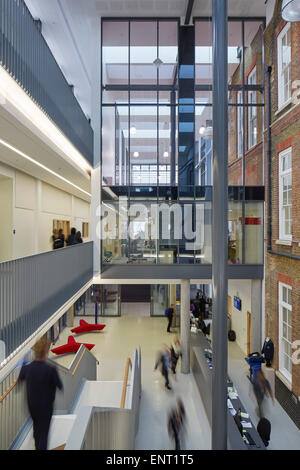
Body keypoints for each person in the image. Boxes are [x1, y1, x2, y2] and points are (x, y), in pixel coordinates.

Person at [18, 336, 63, 450]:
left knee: (37, 429)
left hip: (32, 407)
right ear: (46, 352)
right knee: (44, 434)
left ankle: (37, 445)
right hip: (46, 408)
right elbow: (60, 386)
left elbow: (20, 380)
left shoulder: (27, 369)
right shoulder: (50, 369)